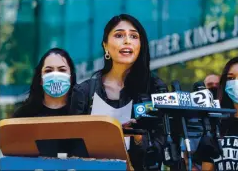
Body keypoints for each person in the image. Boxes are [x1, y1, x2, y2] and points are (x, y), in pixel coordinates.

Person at [70, 14, 167, 170]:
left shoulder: (155, 89)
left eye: (134, 36)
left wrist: (138, 137)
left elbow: (159, 151)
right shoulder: (84, 92)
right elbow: (72, 148)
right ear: (105, 46)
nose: (127, 41)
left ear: (140, 46)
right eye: (119, 35)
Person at [11, 48, 87, 157]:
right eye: (48, 71)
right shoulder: (23, 116)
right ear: (41, 79)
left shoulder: (84, 114)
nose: (55, 75)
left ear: (71, 77)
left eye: (62, 70)